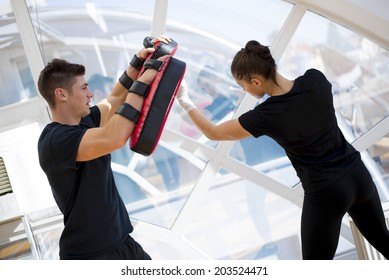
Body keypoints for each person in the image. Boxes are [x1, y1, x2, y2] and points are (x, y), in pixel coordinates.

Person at [176, 40, 389, 260]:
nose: (243, 90)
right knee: (385, 242)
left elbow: (214, 132)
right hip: (358, 175)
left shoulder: (266, 116)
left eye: (243, 85)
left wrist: (184, 100)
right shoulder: (315, 79)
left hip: (327, 191)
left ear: (256, 81)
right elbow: (298, 97)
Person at [37, 35, 171, 260]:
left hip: (121, 243)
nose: (90, 94)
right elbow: (114, 138)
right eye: (84, 88)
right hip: (91, 256)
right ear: (61, 94)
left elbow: (115, 97)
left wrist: (137, 62)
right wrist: (144, 81)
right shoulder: (54, 141)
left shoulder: (83, 122)